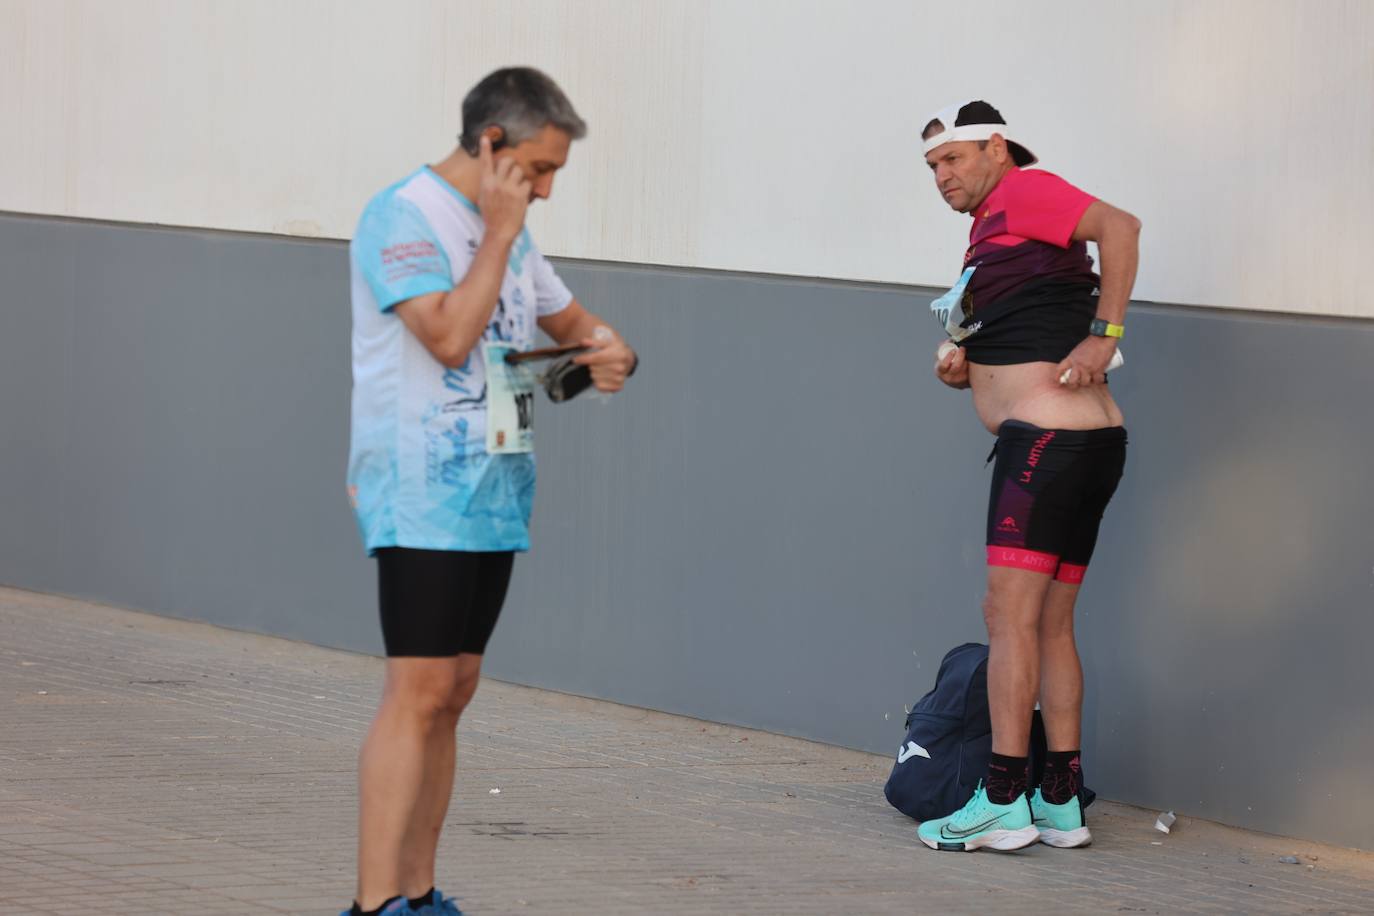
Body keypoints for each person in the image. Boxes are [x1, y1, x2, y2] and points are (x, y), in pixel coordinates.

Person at [344, 67, 637, 914]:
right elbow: (444, 336)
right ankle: (373, 905)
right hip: (420, 488)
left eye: (554, 175)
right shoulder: (402, 215)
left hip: (496, 488)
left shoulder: (518, 234)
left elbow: (574, 326)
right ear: (489, 145)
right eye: (539, 170)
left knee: (456, 691)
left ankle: (419, 891)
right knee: (418, 690)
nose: (545, 190)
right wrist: (499, 236)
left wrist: (607, 351)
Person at [914, 100, 1140, 853]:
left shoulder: (1024, 190)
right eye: (932, 167)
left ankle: (1002, 800)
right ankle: (1060, 801)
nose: (942, 176)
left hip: (1045, 443)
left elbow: (1122, 226)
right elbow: (1024, 332)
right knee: (1047, 623)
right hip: (1084, 443)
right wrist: (966, 368)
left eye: (953, 159)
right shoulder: (995, 231)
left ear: (996, 147)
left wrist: (1103, 337)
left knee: (1007, 619)